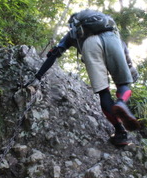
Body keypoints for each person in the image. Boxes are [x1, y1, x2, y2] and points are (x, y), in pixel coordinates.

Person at [33, 9, 140, 146]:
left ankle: (120, 132)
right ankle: (121, 102)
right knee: (123, 84)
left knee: (104, 93)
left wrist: (38, 77)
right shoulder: (108, 26)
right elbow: (124, 48)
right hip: (112, 40)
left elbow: (55, 53)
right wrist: (129, 65)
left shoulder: (73, 34)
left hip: (90, 46)